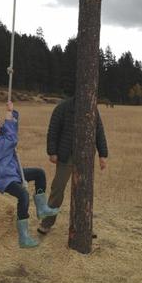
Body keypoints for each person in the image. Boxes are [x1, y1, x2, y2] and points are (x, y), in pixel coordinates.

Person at [0, 101, 59, 248]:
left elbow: (11, 130)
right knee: (23, 196)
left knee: (39, 173)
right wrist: (8, 120)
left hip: (13, 172)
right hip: (3, 178)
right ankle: (24, 237)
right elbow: (12, 139)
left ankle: (42, 208)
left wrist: (11, 114)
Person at [37, 96, 108, 235]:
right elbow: (53, 130)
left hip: (85, 157)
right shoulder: (62, 108)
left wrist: (103, 155)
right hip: (66, 156)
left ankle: (84, 226)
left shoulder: (92, 108)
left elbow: (99, 131)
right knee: (58, 189)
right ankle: (47, 223)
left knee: (84, 191)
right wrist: (52, 152)